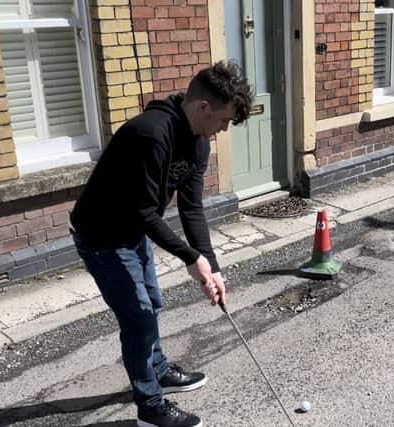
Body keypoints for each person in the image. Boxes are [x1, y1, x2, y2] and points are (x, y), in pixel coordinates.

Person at [69, 61, 253, 427]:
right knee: (138, 317)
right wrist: (189, 258)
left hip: (131, 231)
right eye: (223, 120)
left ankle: (158, 371)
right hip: (101, 237)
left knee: (152, 302)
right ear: (203, 107)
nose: (222, 130)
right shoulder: (150, 134)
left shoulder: (198, 144)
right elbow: (143, 212)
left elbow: (192, 209)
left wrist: (211, 266)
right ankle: (150, 409)